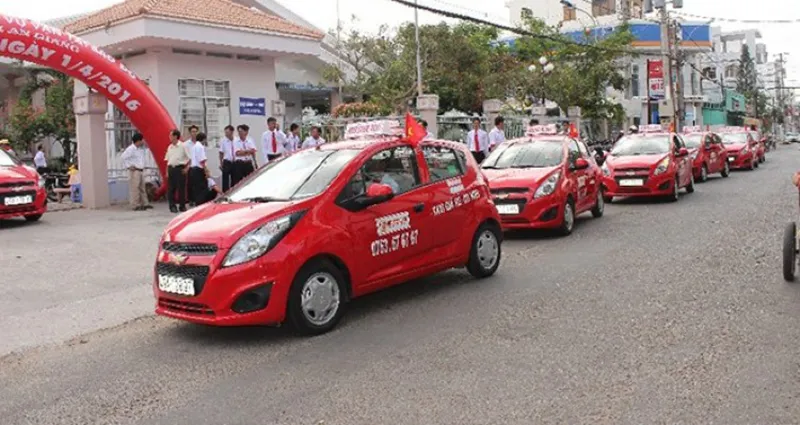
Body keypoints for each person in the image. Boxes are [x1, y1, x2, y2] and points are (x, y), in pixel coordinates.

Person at [120, 133, 152, 211]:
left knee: (142, 188)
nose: (143, 142)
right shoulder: (131, 149)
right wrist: (128, 166)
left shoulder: (139, 149)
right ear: (138, 141)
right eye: (142, 140)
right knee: (135, 188)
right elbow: (123, 157)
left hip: (140, 170)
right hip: (135, 171)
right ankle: (135, 204)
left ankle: (145, 203)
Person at [164, 129, 190, 213]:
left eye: (171, 135)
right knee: (171, 189)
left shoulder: (183, 146)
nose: (169, 137)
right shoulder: (170, 147)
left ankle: (182, 206)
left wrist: (187, 168)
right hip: (171, 169)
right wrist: (167, 171)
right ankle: (172, 206)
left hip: (180, 169)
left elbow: (190, 158)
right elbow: (168, 160)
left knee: (181, 188)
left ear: (175, 136)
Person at [189, 132, 208, 205]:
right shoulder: (200, 147)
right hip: (199, 169)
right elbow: (202, 160)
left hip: (193, 169)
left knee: (196, 188)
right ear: (203, 139)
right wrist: (206, 170)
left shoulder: (194, 146)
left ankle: (197, 202)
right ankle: (201, 203)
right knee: (202, 188)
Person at [183, 125, 199, 205]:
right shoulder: (186, 144)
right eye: (193, 131)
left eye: (196, 131)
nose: (194, 133)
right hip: (190, 166)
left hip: (198, 166)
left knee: (198, 184)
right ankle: (191, 200)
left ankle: (197, 199)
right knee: (190, 184)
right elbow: (185, 156)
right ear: (190, 133)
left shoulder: (199, 143)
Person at [218, 125, 235, 192]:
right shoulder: (223, 141)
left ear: (232, 132)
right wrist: (221, 163)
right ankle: (225, 193)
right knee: (225, 179)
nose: (226, 134)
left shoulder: (236, 140)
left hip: (235, 162)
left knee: (235, 178)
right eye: (225, 132)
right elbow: (221, 152)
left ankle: (233, 192)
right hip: (226, 162)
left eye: (227, 132)